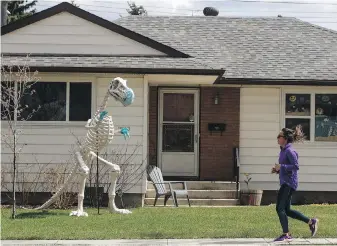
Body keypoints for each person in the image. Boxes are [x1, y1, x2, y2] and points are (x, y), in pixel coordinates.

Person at [272, 125, 318, 243]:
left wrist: (281, 166)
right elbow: (286, 167)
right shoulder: (283, 151)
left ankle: (286, 234)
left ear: (285, 138)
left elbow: (296, 167)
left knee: (279, 208)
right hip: (285, 182)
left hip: (289, 183)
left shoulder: (290, 151)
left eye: (279, 136)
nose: (277, 138)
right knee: (287, 210)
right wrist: (278, 169)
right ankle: (311, 222)